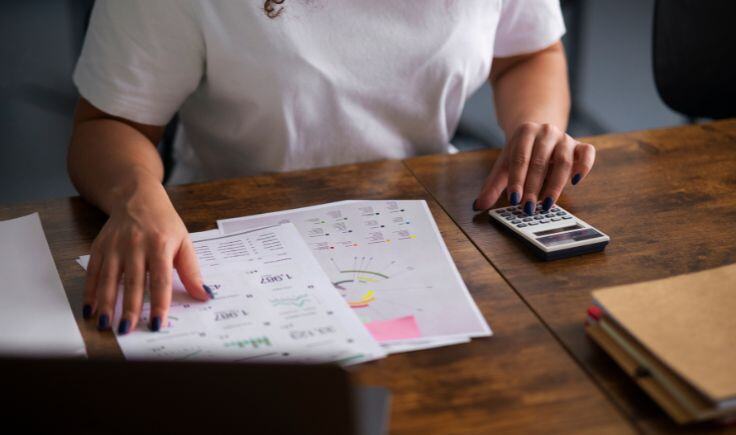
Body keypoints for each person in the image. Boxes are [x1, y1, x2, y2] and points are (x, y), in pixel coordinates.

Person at [69, 0, 595, 335]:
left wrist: (536, 126)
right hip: (226, 240)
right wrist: (137, 196)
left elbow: (529, 53)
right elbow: (108, 125)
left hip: (426, 228)